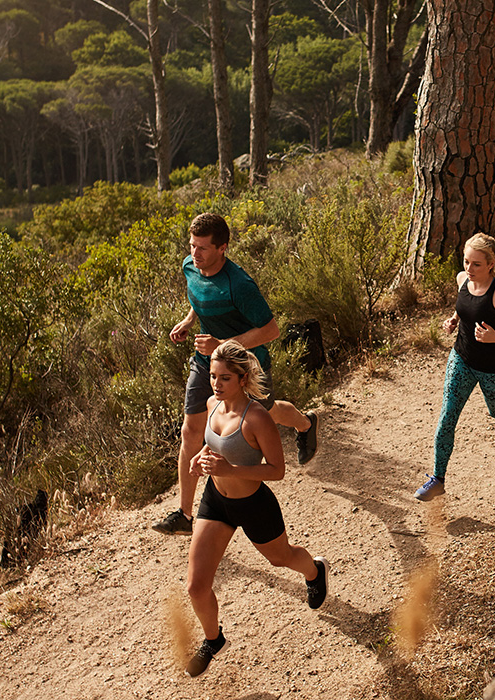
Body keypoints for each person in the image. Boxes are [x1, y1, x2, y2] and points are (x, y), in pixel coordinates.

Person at [154, 213, 319, 536]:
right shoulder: (191, 266)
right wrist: (189, 320)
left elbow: (270, 330)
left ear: (223, 248)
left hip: (247, 365)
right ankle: (184, 515)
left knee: (267, 414)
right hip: (207, 363)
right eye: (192, 245)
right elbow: (199, 294)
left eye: (203, 248)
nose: (195, 253)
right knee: (191, 430)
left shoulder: (240, 285)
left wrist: (222, 344)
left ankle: (305, 423)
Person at [182, 339, 328, 677]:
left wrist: (231, 469)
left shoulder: (257, 418)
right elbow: (212, 445)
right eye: (213, 376)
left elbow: (277, 470)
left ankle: (314, 571)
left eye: (225, 378)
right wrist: (199, 459)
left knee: (282, 558)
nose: (216, 384)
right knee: (196, 586)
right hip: (216, 501)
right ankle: (214, 640)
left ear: (243, 379)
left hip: (253, 505)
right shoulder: (212, 404)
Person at [414, 234, 495, 501]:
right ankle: (437, 479)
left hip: (494, 368)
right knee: (447, 417)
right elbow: (465, 307)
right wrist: (454, 320)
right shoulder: (462, 280)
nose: (469, 269)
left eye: (476, 264)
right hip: (461, 359)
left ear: (491, 264)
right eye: (466, 261)